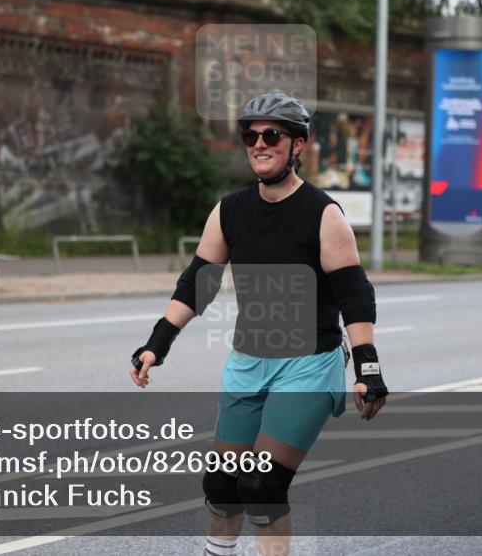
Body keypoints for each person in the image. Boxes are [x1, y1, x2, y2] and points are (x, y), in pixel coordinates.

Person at [129, 93, 389, 556]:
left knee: (263, 486)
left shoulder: (323, 214)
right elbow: (197, 284)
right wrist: (157, 343)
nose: (260, 144)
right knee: (222, 484)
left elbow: (354, 294)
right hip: (249, 363)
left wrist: (367, 368)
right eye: (252, 136)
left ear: (298, 145)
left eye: (273, 135)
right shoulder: (229, 211)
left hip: (308, 366)